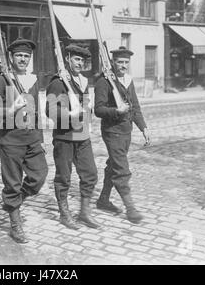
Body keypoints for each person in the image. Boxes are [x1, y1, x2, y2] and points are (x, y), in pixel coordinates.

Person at [0, 38, 48, 244]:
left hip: (32, 139)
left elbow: (36, 113)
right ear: (10, 57)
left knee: (39, 175)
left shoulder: (32, 80)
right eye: (19, 55)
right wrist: (10, 110)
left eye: (26, 56)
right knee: (12, 182)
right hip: (11, 141)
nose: (23, 59)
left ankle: (13, 201)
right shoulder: (2, 79)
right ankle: (15, 223)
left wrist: (41, 139)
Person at [46, 44, 100, 230]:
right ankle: (64, 214)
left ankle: (84, 212)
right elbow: (50, 110)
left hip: (82, 135)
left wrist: (88, 110)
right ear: (67, 59)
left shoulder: (83, 81)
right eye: (76, 59)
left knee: (90, 173)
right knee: (64, 177)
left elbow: (86, 108)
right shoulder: (58, 82)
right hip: (64, 137)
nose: (80, 63)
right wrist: (69, 114)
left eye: (82, 60)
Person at [94, 46, 150, 224]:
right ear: (113, 62)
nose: (123, 65)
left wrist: (143, 128)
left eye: (126, 62)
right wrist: (116, 111)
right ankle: (131, 209)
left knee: (114, 165)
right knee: (122, 169)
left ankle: (103, 200)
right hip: (112, 131)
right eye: (120, 62)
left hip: (126, 131)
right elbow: (98, 109)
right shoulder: (104, 81)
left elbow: (135, 106)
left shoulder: (128, 80)